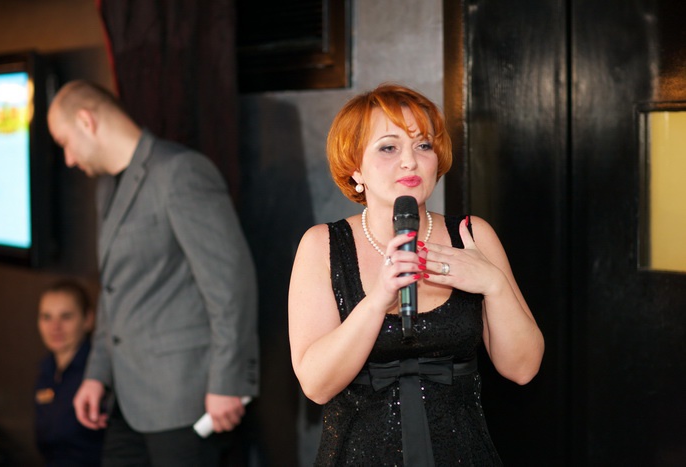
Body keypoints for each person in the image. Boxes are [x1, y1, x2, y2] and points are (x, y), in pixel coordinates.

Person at [288, 83, 545, 466]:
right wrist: (377, 302)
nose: (410, 161)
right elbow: (316, 385)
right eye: (388, 148)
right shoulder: (322, 245)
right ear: (355, 167)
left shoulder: (471, 235)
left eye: (423, 145)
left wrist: (494, 285)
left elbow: (523, 369)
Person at [47, 80, 259, 466]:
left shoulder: (180, 171)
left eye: (65, 142)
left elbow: (230, 284)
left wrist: (228, 381)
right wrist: (97, 374)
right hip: (126, 400)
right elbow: (114, 290)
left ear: (86, 121)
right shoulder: (106, 187)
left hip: (186, 400)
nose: (69, 159)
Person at [35, 280, 104, 467]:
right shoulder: (46, 369)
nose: (55, 327)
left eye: (66, 317)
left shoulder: (98, 376)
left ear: (88, 320)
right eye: (46, 317)